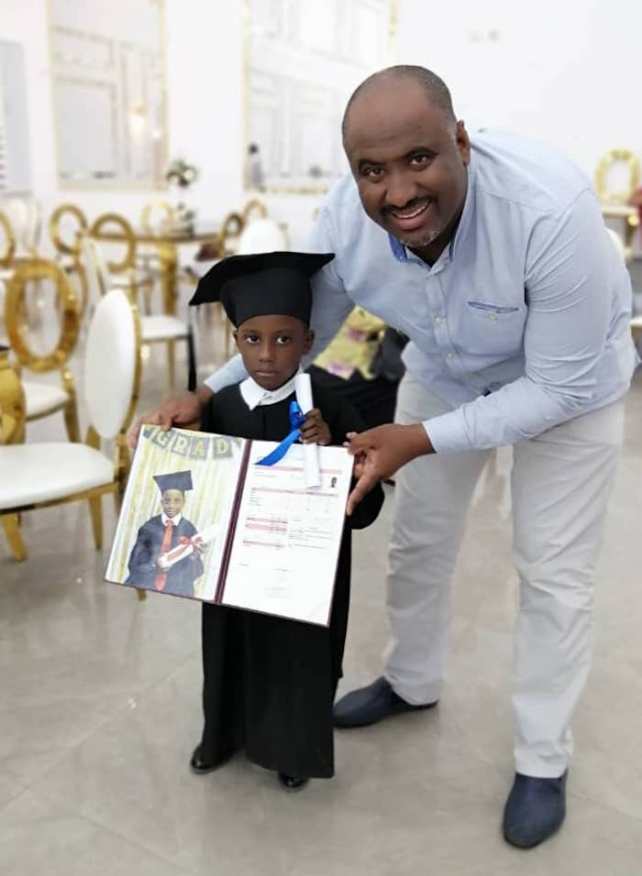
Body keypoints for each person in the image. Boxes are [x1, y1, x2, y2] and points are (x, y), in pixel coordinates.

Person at [130, 66, 637, 846]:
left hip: (570, 392)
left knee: (552, 575)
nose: (398, 192)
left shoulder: (550, 212)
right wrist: (205, 391)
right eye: (373, 171)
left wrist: (418, 439)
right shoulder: (345, 223)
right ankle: (411, 681)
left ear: (461, 142)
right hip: (444, 372)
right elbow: (302, 330)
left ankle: (542, 757)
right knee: (419, 541)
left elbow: (556, 388)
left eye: (420, 160)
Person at [187, 250, 384, 791]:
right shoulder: (221, 408)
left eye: (284, 339)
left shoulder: (334, 408)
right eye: (252, 339)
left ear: (309, 342)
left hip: (306, 570)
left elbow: (363, 507)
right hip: (238, 563)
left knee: (297, 655)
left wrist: (332, 457)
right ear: (235, 342)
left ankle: (292, 748)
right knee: (231, 643)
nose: (268, 355)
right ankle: (221, 735)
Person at [126, 470, 204, 597]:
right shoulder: (149, 527)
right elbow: (134, 563)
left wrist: (193, 556)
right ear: (161, 501)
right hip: (148, 582)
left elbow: (197, 572)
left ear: (184, 502)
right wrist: (154, 565)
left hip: (177, 587)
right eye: (167, 501)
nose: (171, 506)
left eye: (177, 501)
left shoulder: (189, 529)